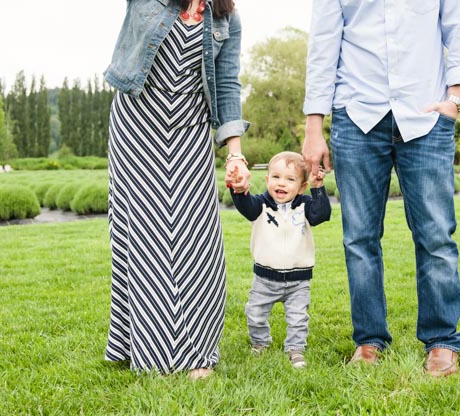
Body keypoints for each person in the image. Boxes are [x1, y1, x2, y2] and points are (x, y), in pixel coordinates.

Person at [302, 0, 460, 377]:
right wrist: (313, 127)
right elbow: (324, 43)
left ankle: (442, 340)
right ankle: (369, 340)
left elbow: (458, 24)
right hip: (357, 113)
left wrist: (456, 98)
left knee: (435, 236)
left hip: (425, 114)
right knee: (359, 238)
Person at [103, 0, 251, 379]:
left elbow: (227, 83)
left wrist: (235, 155)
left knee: (199, 244)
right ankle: (146, 348)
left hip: (190, 130)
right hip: (137, 125)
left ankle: (199, 352)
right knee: (144, 238)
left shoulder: (225, 17)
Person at [228, 152, 331, 368]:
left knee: (298, 319)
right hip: (265, 279)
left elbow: (320, 215)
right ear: (267, 180)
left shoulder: (305, 205)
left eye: (290, 179)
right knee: (255, 314)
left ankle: (295, 349)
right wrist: (238, 189)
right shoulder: (260, 206)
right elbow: (245, 206)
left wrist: (318, 187)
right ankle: (260, 343)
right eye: (276, 177)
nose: (281, 183)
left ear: (302, 187)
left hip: (298, 281)